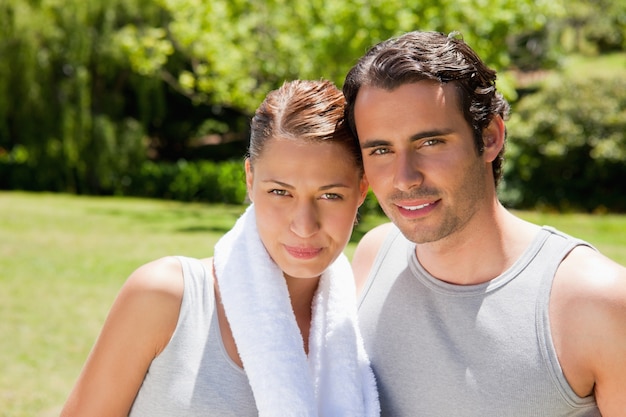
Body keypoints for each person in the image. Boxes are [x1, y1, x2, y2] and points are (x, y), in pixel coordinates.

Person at [342, 30, 626, 416]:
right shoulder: (374, 256)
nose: (404, 177)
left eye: (430, 143)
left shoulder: (595, 300)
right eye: (380, 149)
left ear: (489, 137)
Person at [61, 79, 379, 417]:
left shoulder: (362, 321)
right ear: (250, 179)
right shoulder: (165, 297)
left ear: (362, 190)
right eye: (280, 192)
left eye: (330, 195)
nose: (304, 225)